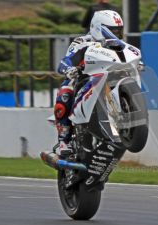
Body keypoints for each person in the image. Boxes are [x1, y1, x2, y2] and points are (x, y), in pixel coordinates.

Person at [54, 10, 124, 157]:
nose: (116, 35)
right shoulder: (83, 41)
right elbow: (66, 61)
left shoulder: (121, 46)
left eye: (118, 31)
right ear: (98, 28)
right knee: (65, 91)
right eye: (112, 31)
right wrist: (70, 69)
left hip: (109, 83)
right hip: (85, 81)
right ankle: (63, 141)